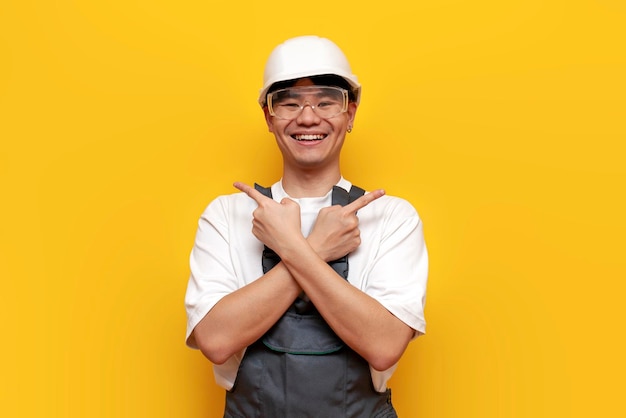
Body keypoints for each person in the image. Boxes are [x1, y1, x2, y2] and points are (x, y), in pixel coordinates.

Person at [184, 35, 428, 417]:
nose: (308, 117)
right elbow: (214, 339)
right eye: (289, 103)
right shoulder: (227, 215)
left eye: (327, 101)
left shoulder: (391, 217)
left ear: (351, 113)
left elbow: (383, 346)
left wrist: (293, 246)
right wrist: (318, 248)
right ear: (269, 116)